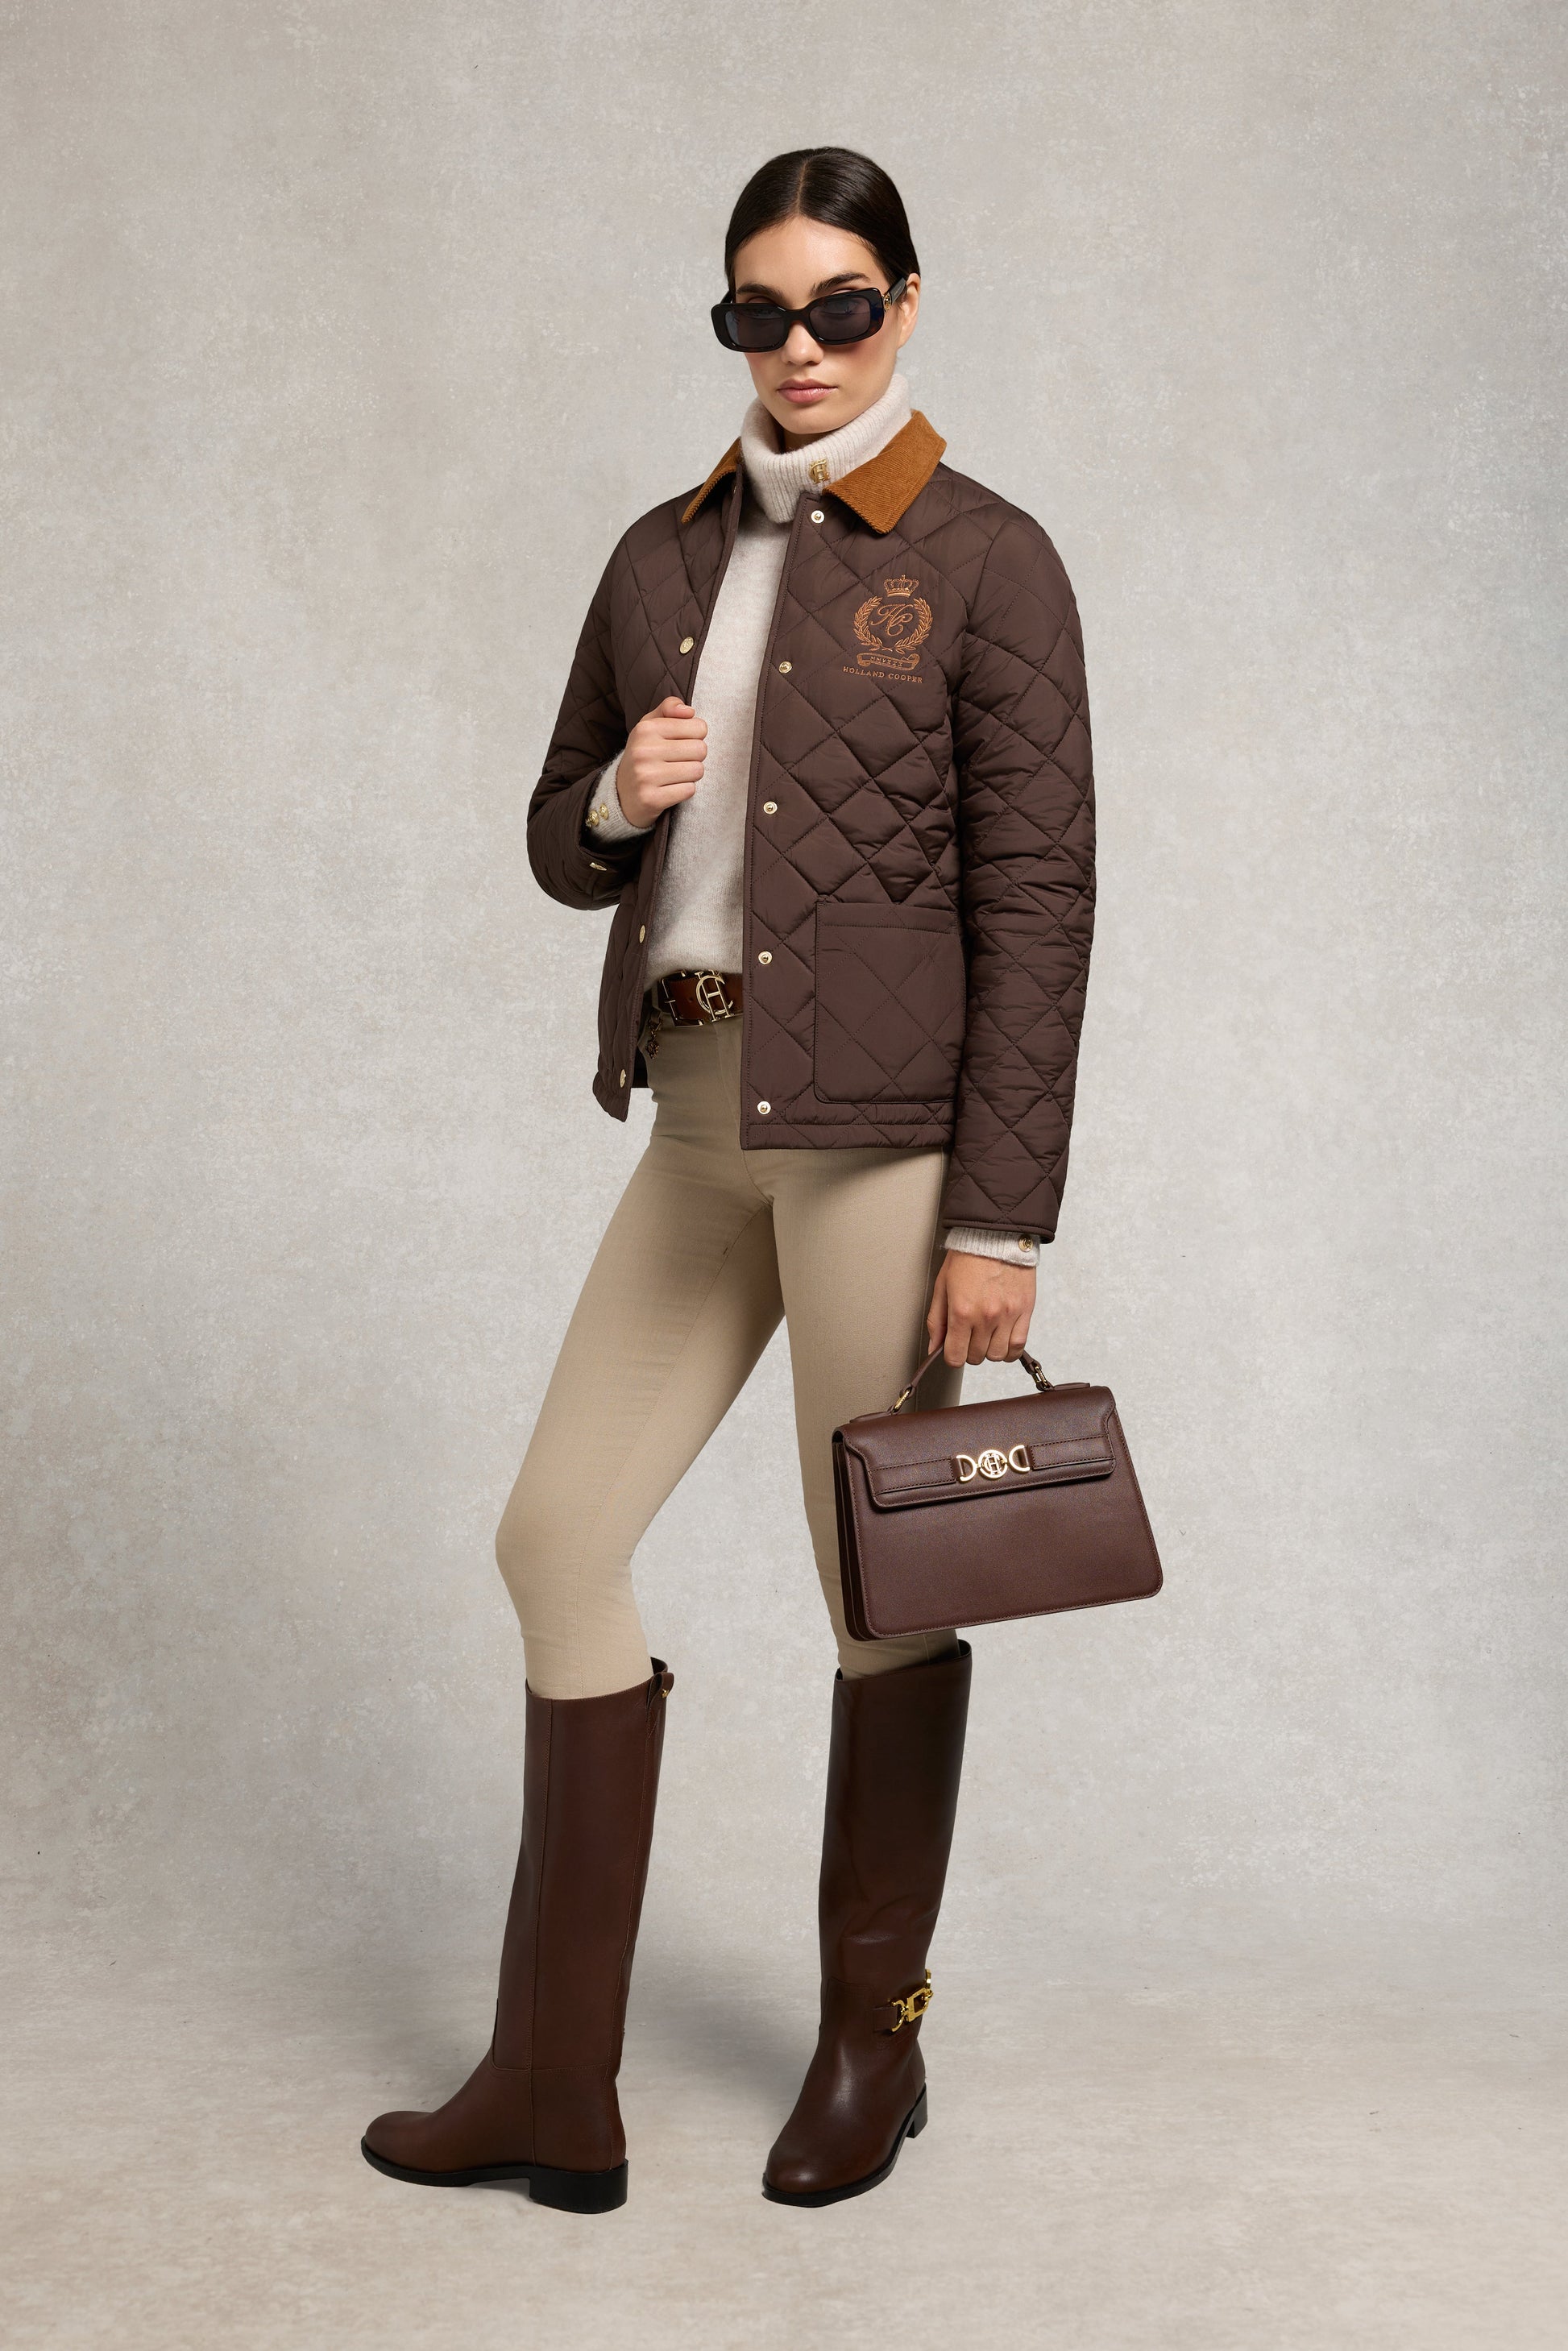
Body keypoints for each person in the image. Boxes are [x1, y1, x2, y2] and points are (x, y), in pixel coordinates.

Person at [362, 145, 1095, 2212]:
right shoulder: (657, 554)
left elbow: (1041, 905)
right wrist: (617, 792)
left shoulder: (989, 559)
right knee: (554, 1540)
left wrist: (997, 1220)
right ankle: (552, 2082)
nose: (798, 347)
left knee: (875, 1588)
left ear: (905, 306)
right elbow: (554, 837)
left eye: (839, 307)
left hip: (884, 1151)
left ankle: (875, 2043)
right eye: (757, 313)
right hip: (694, 1116)